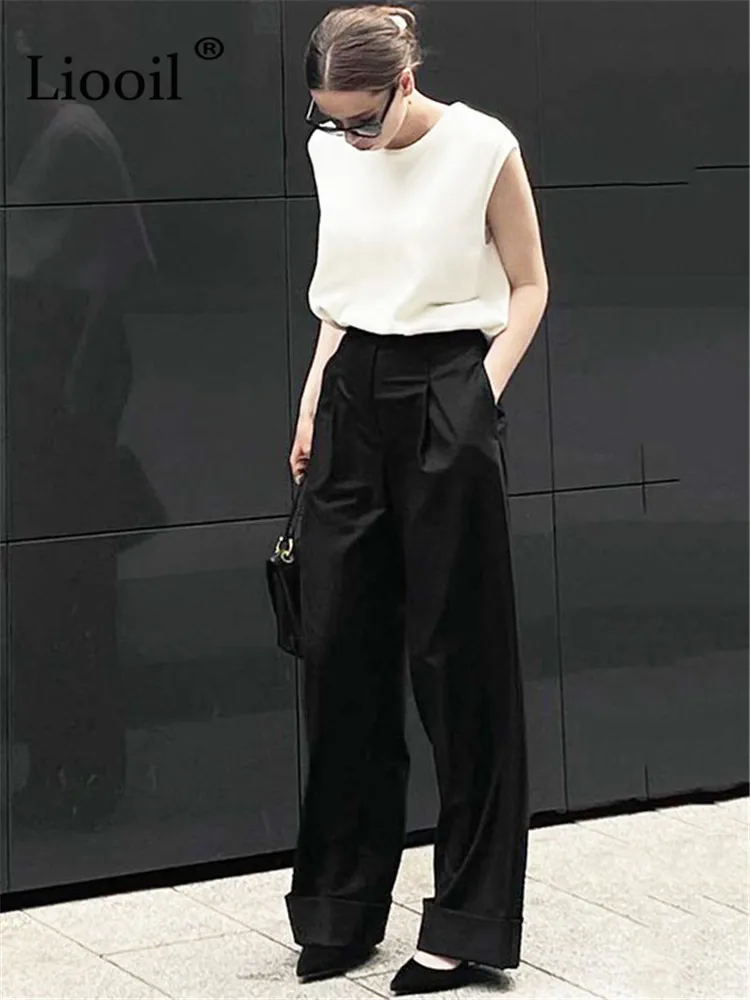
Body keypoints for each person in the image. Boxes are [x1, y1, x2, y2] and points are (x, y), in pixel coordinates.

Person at [285, 4, 549, 995]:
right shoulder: (331, 151)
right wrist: (311, 400)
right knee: (340, 654)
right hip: (350, 394)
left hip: (447, 387)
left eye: (363, 116)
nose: (347, 134)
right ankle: (341, 908)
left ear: (404, 82)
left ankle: (469, 923)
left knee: (459, 661)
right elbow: (342, 295)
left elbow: (530, 284)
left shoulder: (482, 147)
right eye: (330, 116)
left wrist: (479, 394)